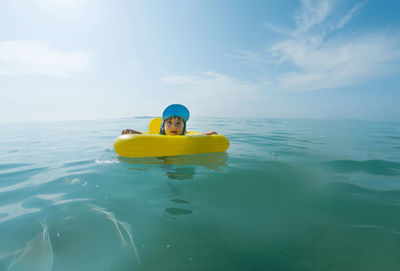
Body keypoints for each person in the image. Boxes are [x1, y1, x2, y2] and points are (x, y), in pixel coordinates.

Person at [121, 104, 217, 136]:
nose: (174, 126)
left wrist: (210, 133)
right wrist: (132, 132)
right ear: (163, 127)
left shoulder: (185, 137)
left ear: (184, 127)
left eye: (178, 123)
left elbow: (198, 137)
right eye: (169, 123)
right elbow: (146, 136)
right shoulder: (160, 136)